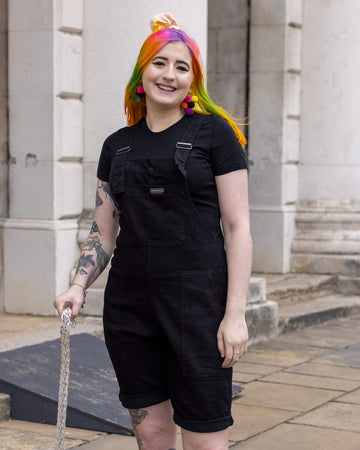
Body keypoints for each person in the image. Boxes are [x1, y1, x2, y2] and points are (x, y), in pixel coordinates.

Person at [54, 12, 252, 450]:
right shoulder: (116, 145)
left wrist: (235, 314)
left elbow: (238, 229)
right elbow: (102, 234)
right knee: (150, 432)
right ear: (142, 73)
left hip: (199, 307)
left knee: (204, 440)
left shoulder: (215, 134)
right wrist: (78, 286)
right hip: (131, 309)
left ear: (192, 81)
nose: (170, 74)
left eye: (182, 67)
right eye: (160, 63)